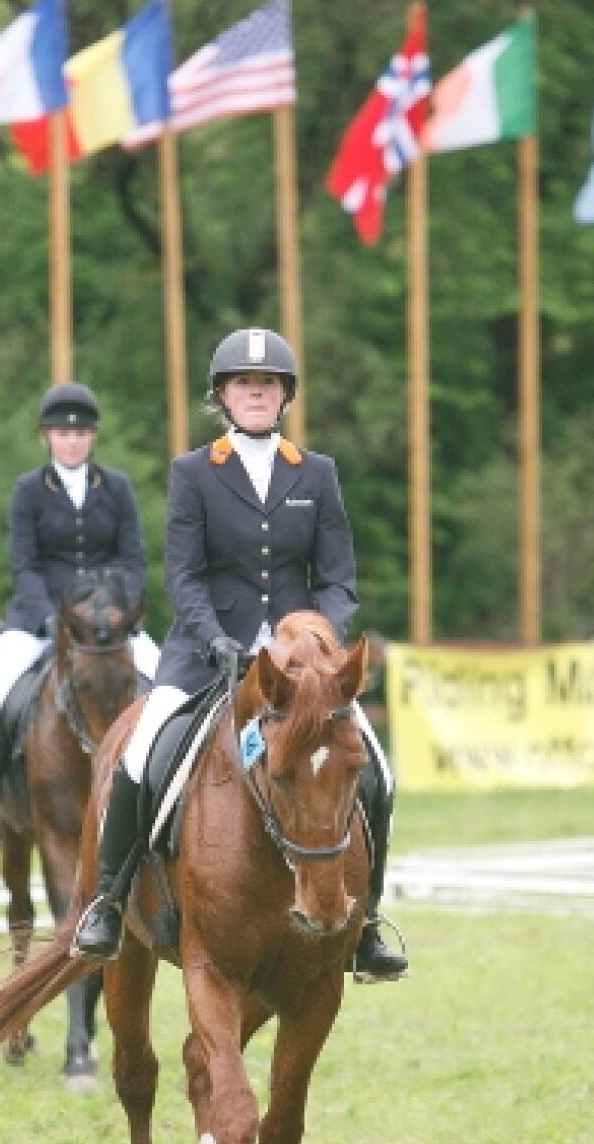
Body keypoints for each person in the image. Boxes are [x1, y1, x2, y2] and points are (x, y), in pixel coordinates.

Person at [70, 328, 407, 982]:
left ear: (284, 396)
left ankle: (365, 923)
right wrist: (214, 638)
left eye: (268, 384)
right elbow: (184, 575)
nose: (256, 392)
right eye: (244, 384)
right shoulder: (194, 473)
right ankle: (108, 902)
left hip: (302, 671)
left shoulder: (317, 473)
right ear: (222, 395)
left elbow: (337, 579)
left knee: (377, 770)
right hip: (206, 654)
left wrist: (319, 640)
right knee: (141, 753)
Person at [0, 381, 159, 848]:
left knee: (166, 689)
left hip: (109, 626)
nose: (73, 441)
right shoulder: (29, 491)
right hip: (39, 620)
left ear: (92, 437)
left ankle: (167, 795)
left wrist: (121, 613)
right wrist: (50, 618)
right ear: (47, 437)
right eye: (64, 433)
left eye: (81, 433)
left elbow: (133, 561)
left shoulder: (117, 488)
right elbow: (25, 565)